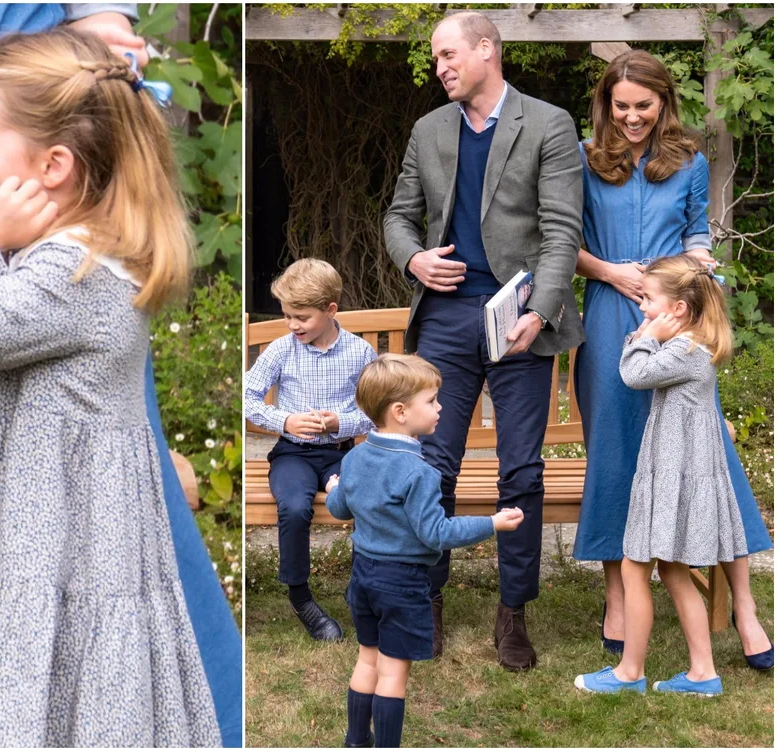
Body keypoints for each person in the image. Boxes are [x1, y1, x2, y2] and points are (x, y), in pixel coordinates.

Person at [0, 7, 241, 748]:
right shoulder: (80, 249)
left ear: (52, 167)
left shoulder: (68, 273)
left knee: (56, 671)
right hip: (56, 523)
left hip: (58, 537)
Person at [383, 11, 583, 669]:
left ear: (486, 51)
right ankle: (428, 599)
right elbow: (397, 216)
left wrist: (543, 310)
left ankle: (513, 611)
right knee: (431, 467)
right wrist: (413, 259)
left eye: (447, 55)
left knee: (520, 470)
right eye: (436, 58)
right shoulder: (428, 129)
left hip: (519, 318)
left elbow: (560, 232)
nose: (439, 67)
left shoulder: (548, 124)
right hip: (444, 319)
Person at [572, 49, 773, 669]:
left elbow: (697, 232)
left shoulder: (687, 160)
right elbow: (565, 242)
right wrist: (615, 273)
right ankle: (617, 596)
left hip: (677, 317)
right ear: (606, 103)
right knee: (615, 450)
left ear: (664, 103)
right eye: (621, 106)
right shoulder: (582, 159)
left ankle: (744, 607)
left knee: (707, 452)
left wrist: (694, 263)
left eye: (644, 106)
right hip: (610, 315)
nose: (632, 118)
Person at [325, 353, 525, 747]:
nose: (440, 408)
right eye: (432, 401)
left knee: (367, 658)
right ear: (400, 412)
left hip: (362, 575)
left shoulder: (356, 457)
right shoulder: (420, 473)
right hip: (402, 583)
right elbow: (436, 533)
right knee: (393, 672)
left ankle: (354, 741)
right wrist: (493, 524)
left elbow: (340, 509)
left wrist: (334, 488)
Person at [576, 255, 752, 696]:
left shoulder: (685, 350)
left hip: (675, 479)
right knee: (672, 572)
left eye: (649, 300)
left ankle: (629, 673)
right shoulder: (692, 346)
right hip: (673, 474)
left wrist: (645, 336)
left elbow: (633, 374)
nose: (643, 308)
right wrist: (650, 333)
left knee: (636, 569)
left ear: (678, 309)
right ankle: (702, 673)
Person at [245, 258, 376, 641]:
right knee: (296, 506)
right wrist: (284, 421)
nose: (292, 325)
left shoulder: (359, 353)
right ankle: (301, 597)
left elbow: (373, 411)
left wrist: (341, 422)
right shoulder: (282, 350)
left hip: (342, 453)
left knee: (365, 499)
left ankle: (361, 590)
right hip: (293, 455)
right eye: (287, 316)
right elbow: (248, 397)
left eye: (301, 317)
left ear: (330, 310)